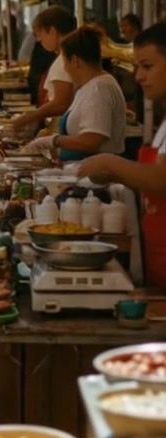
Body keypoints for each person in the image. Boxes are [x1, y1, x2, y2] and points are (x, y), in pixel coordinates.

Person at [76, 22, 166, 287]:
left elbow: (162, 180)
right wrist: (119, 175)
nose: (137, 76)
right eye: (137, 66)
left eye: (147, 66)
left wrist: (110, 163)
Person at [23, 25, 126, 163]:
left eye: (64, 62)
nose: (65, 68)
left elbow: (91, 141)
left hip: (94, 174)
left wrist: (54, 141)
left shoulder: (99, 88)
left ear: (75, 61)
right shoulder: (87, 86)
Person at [12, 6, 77, 135]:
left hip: (66, 131)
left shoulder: (66, 61)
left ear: (52, 31)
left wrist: (31, 116)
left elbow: (62, 103)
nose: (39, 40)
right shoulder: (64, 57)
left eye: (40, 35)